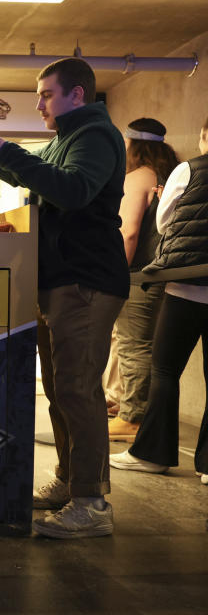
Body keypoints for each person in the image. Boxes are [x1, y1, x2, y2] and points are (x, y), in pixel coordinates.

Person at [0, 57, 128, 538]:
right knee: (60, 387)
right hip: (60, 280)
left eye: (47, 94)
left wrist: (5, 151)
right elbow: (40, 175)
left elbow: (71, 191)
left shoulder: (94, 136)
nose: (40, 102)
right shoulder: (65, 139)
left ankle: (91, 501)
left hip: (86, 279)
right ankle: (71, 481)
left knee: (78, 388)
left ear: (77, 95)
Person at [110, 115, 208, 486]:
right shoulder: (168, 169)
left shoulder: (185, 171)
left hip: (182, 285)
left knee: (163, 367)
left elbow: (163, 224)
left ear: (203, 136)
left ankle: (151, 452)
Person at [107, 118, 179, 441]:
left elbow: (129, 231)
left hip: (138, 274)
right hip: (166, 275)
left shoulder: (139, 176)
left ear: (133, 145)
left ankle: (132, 417)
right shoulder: (170, 175)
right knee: (148, 348)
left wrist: (115, 275)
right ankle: (135, 412)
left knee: (133, 347)